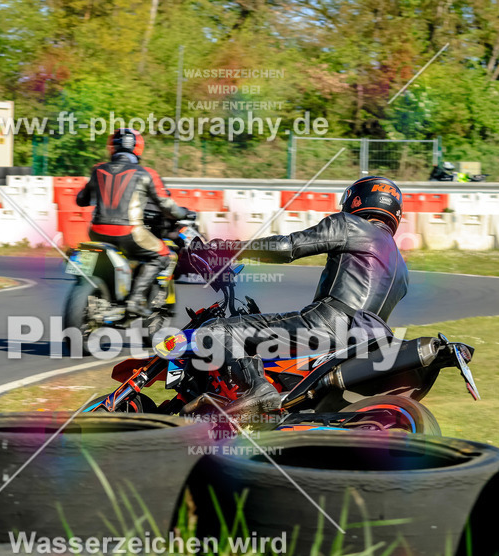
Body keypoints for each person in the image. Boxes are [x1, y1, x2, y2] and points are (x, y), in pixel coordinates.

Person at [194, 176, 409, 416]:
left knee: (215, 330)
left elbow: (288, 247)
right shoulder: (402, 266)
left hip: (327, 323)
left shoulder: (351, 225)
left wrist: (230, 248)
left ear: (357, 200)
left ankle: (257, 390)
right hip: (364, 342)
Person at [76, 128, 191, 317]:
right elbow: (165, 203)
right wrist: (182, 212)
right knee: (162, 254)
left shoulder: (97, 169)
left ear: (111, 147)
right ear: (138, 148)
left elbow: (81, 200)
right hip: (129, 233)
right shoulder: (147, 173)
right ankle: (136, 299)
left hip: (96, 232)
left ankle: (110, 291)